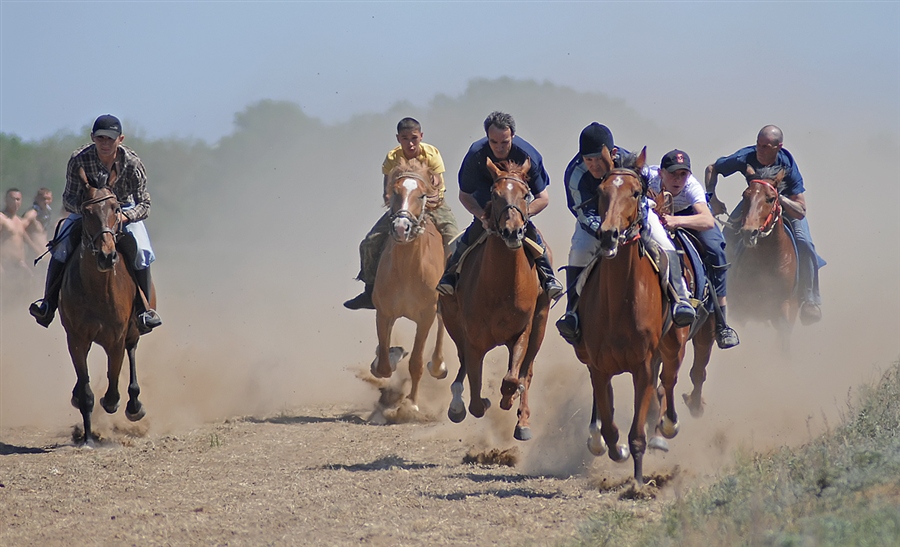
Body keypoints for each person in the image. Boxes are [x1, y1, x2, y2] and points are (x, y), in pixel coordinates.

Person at [555, 123, 696, 345]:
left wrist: (631, 223)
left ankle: (681, 300)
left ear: (611, 155)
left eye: (597, 160)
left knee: (664, 243)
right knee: (579, 251)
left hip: (634, 217)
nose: (592, 165)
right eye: (587, 159)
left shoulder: (628, 162)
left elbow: (642, 192)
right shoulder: (575, 174)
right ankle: (572, 312)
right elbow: (581, 212)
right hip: (594, 222)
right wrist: (604, 229)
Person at [29, 114, 162, 333]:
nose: (105, 143)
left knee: (143, 250)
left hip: (124, 210)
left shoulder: (132, 163)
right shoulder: (79, 159)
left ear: (120, 139)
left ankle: (145, 311)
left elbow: (145, 204)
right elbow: (68, 199)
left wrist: (123, 217)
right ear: (93, 137)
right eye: (100, 138)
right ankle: (48, 304)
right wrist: (91, 211)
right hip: (88, 210)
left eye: (110, 139)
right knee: (61, 246)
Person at [436, 111, 563, 300]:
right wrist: (483, 217)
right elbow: (464, 195)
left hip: (517, 206)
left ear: (513, 135)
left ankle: (548, 278)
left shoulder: (528, 156)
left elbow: (543, 198)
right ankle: (450, 277)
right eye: (493, 142)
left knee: (532, 235)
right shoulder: (475, 154)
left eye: (505, 142)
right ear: (487, 137)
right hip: (486, 205)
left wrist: (521, 216)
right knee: (471, 235)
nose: (499, 147)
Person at [705, 125, 824, 324]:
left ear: (778, 147)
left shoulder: (787, 164)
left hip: (783, 203)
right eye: (758, 144)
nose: (760, 150)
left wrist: (780, 199)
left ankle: (810, 299)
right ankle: (719, 291)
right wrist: (712, 198)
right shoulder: (745, 156)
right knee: (726, 238)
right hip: (754, 201)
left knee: (805, 242)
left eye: (766, 147)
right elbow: (712, 169)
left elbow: (801, 209)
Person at [344, 117, 459, 310]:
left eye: (414, 138)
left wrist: (428, 197)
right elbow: (387, 183)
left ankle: (454, 288)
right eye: (405, 138)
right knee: (369, 242)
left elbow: (437, 180)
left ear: (421, 136)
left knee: (453, 239)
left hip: (433, 203)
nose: (410, 143)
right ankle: (370, 289)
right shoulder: (392, 157)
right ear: (398, 138)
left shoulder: (431, 154)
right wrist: (390, 197)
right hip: (403, 206)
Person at [649, 150, 740, 349]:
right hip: (654, 217)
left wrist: (676, 221)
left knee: (716, 249)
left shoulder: (692, 187)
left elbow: (707, 220)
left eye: (683, 174)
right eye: (673, 173)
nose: (678, 179)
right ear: (661, 172)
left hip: (689, 217)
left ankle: (722, 324)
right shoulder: (648, 177)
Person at [0, 188, 42, 278]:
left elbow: (22, 236)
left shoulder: (18, 220)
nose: (15, 202)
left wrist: (37, 250)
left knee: (30, 280)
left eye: (18, 199)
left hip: (19, 263)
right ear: (6, 200)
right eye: (12, 199)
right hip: (5, 263)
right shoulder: (2, 218)